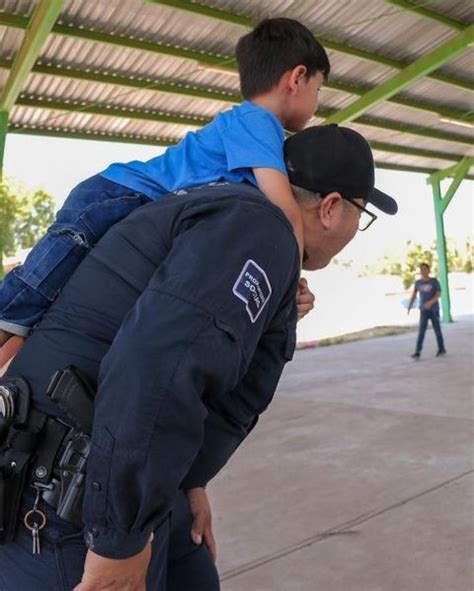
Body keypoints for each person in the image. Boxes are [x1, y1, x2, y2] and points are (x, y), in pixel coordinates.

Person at [0, 124, 397, 590]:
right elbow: (156, 369)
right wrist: (118, 543)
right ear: (330, 208)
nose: (356, 229)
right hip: (70, 509)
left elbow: (196, 365)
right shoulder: (258, 230)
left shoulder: (232, 221)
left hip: (119, 484)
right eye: (361, 214)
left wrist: (189, 482)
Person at [0, 17, 331, 365]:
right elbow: (285, 212)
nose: (318, 102)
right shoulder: (259, 122)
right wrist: (286, 288)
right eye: (319, 88)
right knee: (26, 295)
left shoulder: (252, 128)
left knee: (40, 312)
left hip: (127, 205)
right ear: (297, 78)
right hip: (116, 196)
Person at [407, 263, 446, 359]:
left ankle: (441, 349)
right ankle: (417, 352)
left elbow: (438, 294)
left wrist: (430, 303)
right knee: (421, 331)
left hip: (434, 310)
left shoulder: (434, 281)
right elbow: (414, 295)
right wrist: (410, 306)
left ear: (429, 270)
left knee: (437, 330)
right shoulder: (418, 283)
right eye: (422, 269)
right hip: (423, 310)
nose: (423, 271)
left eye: (425, 269)